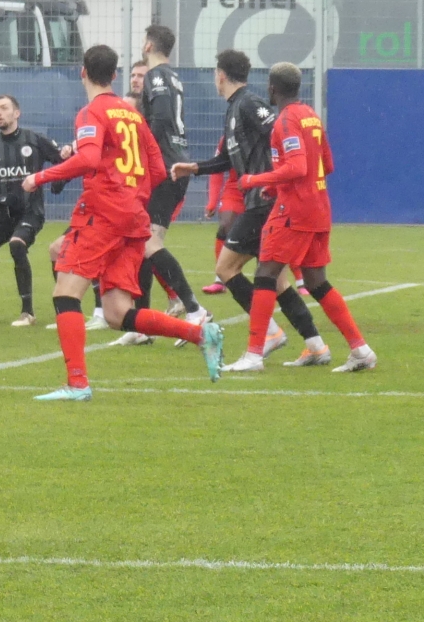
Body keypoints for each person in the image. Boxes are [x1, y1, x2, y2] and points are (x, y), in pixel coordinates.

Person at [20, 44, 224, 401]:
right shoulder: (133, 115)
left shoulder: (91, 112)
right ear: (115, 75)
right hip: (132, 217)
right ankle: (199, 334)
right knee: (117, 312)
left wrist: (40, 177)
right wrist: (133, 193)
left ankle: (78, 384)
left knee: (65, 293)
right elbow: (158, 169)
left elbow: (88, 159)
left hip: (103, 214)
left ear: (83, 72)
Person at [170, 50, 329, 365]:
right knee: (276, 281)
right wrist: (195, 168)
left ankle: (269, 333)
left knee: (226, 268)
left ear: (221, 75)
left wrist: (268, 177)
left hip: (263, 203)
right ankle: (315, 344)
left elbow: (279, 132)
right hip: (260, 202)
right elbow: (228, 159)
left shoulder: (249, 104)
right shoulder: (234, 108)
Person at [227, 62, 376, 373]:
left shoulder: (286, 121)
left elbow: (297, 167)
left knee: (266, 274)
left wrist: (256, 180)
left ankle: (253, 355)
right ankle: (360, 349)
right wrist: (275, 187)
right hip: (319, 207)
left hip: (295, 211)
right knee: (316, 281)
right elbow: (326, 165)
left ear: (272, 88)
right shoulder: (310, 116)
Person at [124, 24, 208, 343]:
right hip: (173, 163)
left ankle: (194, 308)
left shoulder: (156, 76)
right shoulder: (173, 76)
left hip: (163, 167)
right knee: (142, 242)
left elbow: (159, 121)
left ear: (148, 45)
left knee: (147, 243)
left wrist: (144, 157)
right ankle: (142, 326)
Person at [0, 94, 66, 327]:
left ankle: (28, 313)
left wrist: (56, 184)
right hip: (3, 213)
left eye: (4, 108)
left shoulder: (34, 140)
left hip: (31, 212)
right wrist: (1, 198)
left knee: (17, 244)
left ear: (17, 113)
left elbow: (63, 163)